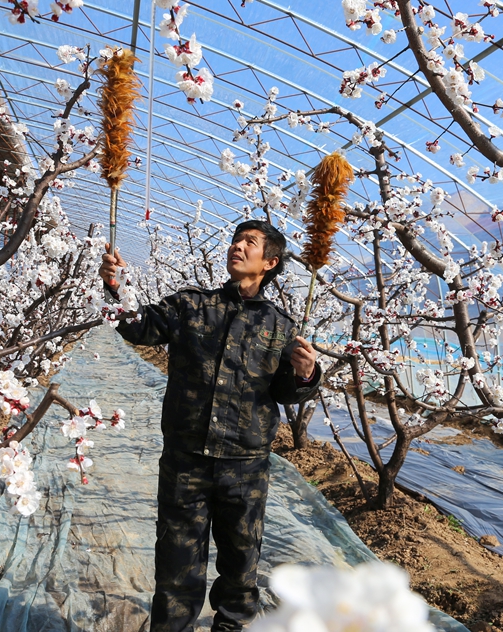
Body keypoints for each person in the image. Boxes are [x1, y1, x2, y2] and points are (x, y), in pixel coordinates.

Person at [98, 219, 322, 632]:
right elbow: (140, 327)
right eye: (236, 239)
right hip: (187, 460)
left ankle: (231, 626)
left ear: (270, 262)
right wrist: (117, 287)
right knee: (176, 562)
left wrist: (307, 374)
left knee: (241, 562)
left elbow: (286, 392)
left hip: (245, 466)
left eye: (250, 242)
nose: (237, 246)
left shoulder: (280, 326)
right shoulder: (191, 305)